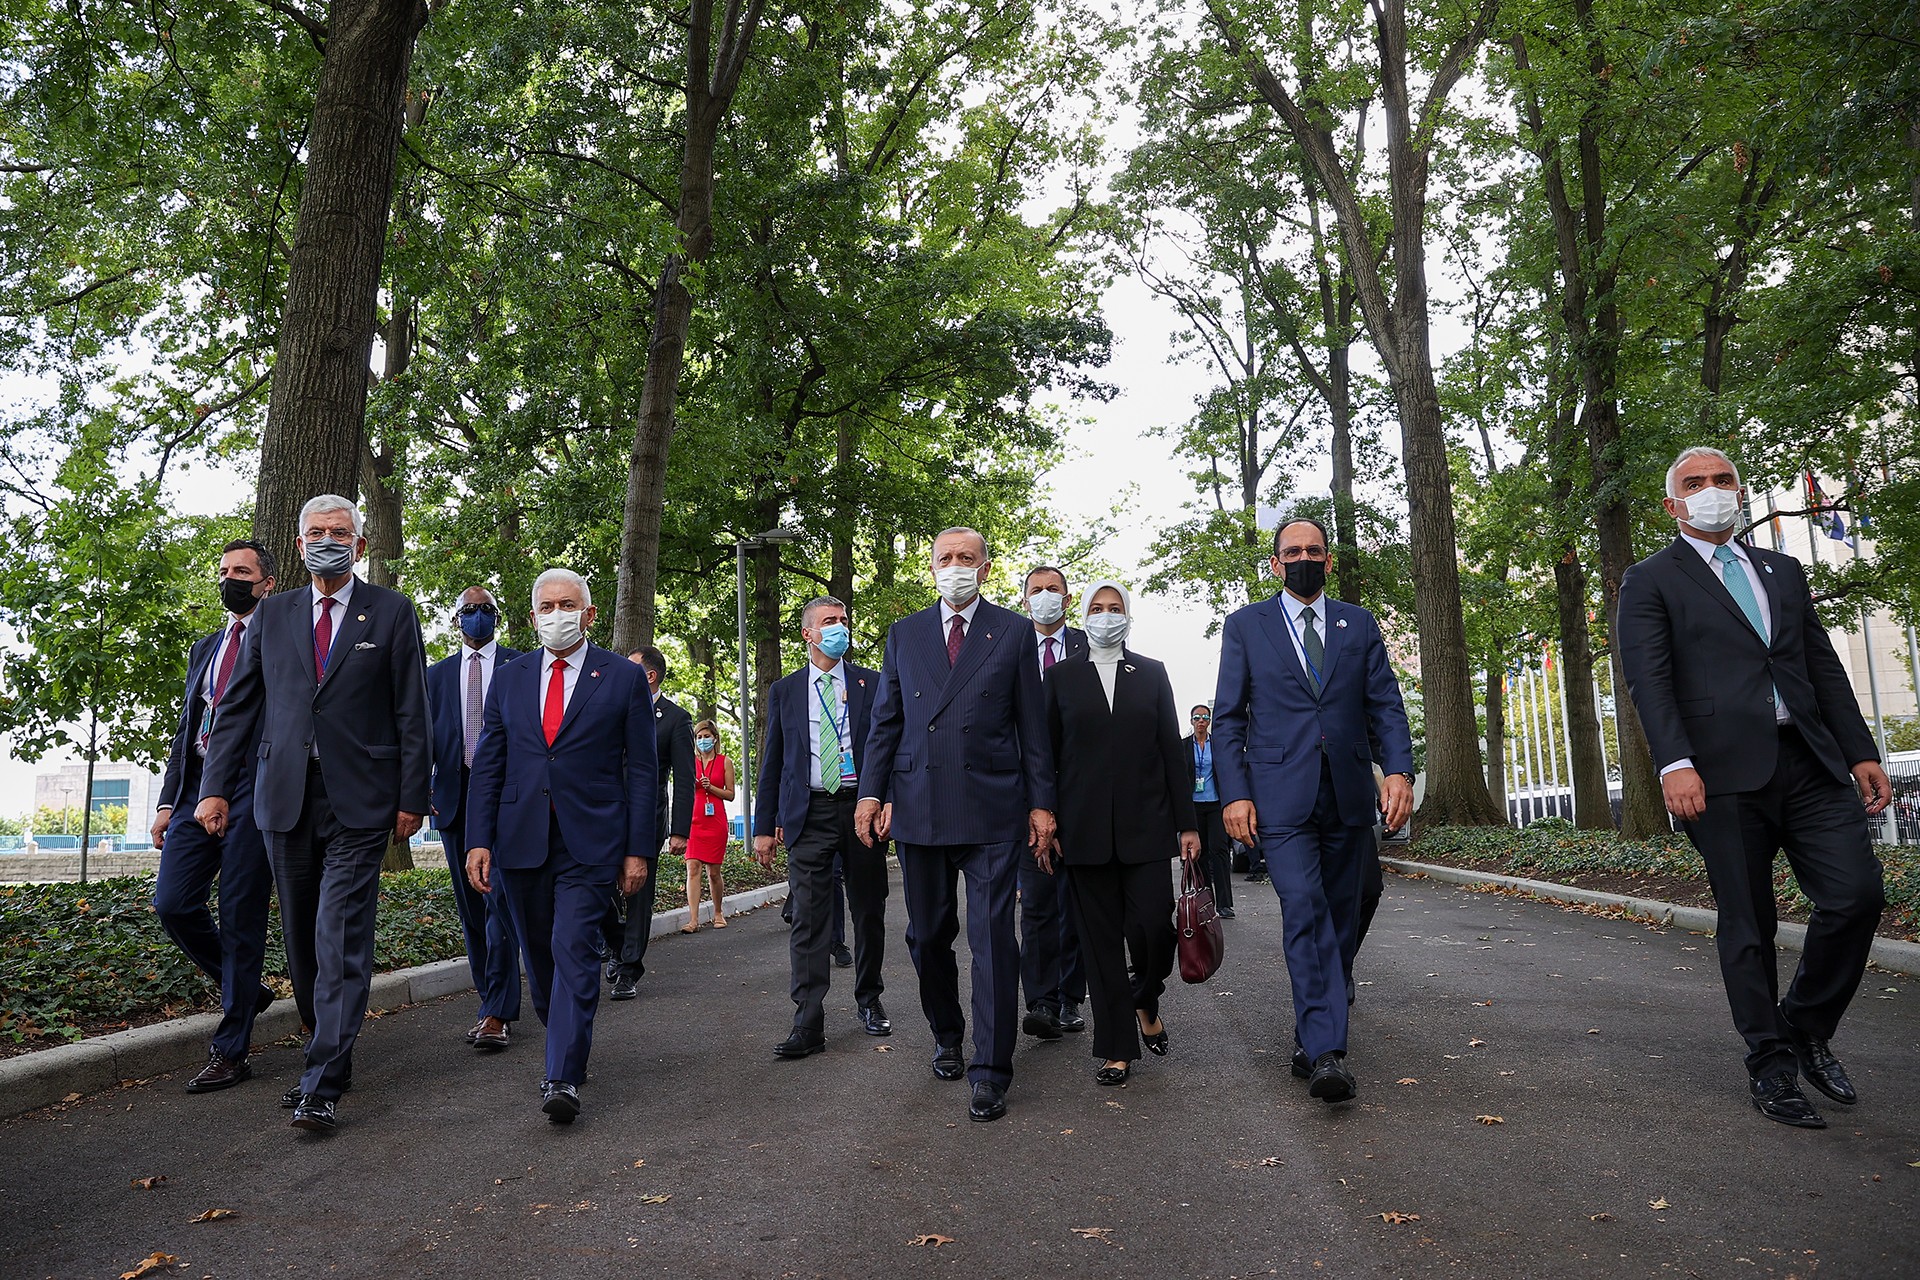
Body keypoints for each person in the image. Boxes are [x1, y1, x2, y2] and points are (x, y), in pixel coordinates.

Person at [1619, 446, 1889, 1130]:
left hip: (1809, 762)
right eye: (1695, 483)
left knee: (1856, 896)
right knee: (1750, 924)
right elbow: (1649, 680)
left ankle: (1803, 1021)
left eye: (1723, 479)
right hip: (1718, 776)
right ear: (1672, 504)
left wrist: (1860, 750)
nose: (1713, 491)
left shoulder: (1782, 570)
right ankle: (1770, 1064)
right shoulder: (1651, 580)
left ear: (1738, 490)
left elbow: (1821, 667)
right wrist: (1673, 762)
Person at [196, 496, 432, 1134]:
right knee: (303, 942)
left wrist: (415, 795)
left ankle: (322, 1079)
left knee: (340, 934)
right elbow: (238, 709)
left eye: (341, 533)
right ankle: (332, 1043)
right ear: (300, 545)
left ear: (358, 544)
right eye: (317, 533)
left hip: (359, 802)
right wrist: (214, 788)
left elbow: (413, 709)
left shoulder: (390, 611)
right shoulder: (271, 615)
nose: (329, 541)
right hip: (284, 798)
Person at [1213, 515, 1414, 1106]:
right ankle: (1327, 1051)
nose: (1304, 558)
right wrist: (1235, 793)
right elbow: (1228, 719)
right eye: (1292, 551)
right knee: (1304, 908)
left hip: (1348, 792)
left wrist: (1398, 770)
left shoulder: (1358, 623)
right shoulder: (1246, 626)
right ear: (1276, 564)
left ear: (1329, 561)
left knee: (1350, 905)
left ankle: (1320, 1003)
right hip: (1280, 797)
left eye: (1315, 550)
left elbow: (1386, 705)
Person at [857, 527, 1056, 1123]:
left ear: (986, 567)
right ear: (932, 567)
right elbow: (886, 722)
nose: (955, 567)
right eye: (945, 558)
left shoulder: (1014, 631)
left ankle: (991, 1069)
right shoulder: (905, 633)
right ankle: (947, 1031)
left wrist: (1042, 804)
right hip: (919, 805)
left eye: (966, 558)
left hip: (994, 805)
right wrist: (871, 792)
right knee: (926, 936)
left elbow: (1033, 728)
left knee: (994, 938)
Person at [464, 568, 656, 1124]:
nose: (556, 614)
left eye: (567, 604)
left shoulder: (621, 678)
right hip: (519, 840)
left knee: (574, 950)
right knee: (541, 962)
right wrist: (479, 839)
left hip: (591, 843)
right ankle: (565, 1037)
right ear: (531, 617)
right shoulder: (511, 677)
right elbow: (489, 765)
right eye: (546, 606)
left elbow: (642, 770)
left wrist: (636, 849)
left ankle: (563, 1076)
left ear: (590, 614)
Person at [1043, 582, 1199, 1085]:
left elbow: (1172, 756)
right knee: (1100, 942)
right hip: (1082, 833)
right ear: (1083, 615)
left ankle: (1144, 996)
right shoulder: (1060, 677)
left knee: (1154, 929)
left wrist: (1188, 824)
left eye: (1115, 609)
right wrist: (1044, 816)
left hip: (1147, 829)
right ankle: (1116, 1047)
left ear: (1128, 616)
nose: (1106, 616)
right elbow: (1045, 758)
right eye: (1097, 608)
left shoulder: (1151, 674)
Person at [150, 539, 278, 1093]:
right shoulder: (206, 647)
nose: (231, 579)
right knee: (173, 903)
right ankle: (246, 988)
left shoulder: (283, 639)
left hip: (254, 790)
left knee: (240, 914)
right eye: (225, 570)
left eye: (243, 571)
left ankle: (231, 1050)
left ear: (266, 582)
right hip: (194, 793)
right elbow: (186, 733)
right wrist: (166, 800)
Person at [755, 596, 892, 1054]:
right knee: (810, 920)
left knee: (868, 909)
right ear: (807, 634)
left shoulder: (872, 685)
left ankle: (870, 999)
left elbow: (890, 748)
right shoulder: (786, 691)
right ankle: (808, 1020)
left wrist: (887, 800)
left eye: (844, 621)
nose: (839, 627)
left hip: (862, 811)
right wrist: (763, 824)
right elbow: (771, 759)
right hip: (808, 813)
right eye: (829, 622)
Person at [424, 586, 523, 1052]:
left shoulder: (522, 666)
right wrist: (419, 793)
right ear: (455, 619)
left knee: (499, 900)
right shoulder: (435, 676)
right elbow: (420, 739)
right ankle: (490, 1002)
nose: (477, 617)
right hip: (455, 800)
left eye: (486, 610)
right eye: (469, 611)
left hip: (509, 797)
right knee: (471, 907)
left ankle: (499, 1012)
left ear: (497, 617)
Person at [1016, 565, 1089, 1039]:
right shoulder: (1006, 644)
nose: (1045, 597)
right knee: (1037, 903)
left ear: (1067, 598)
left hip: (1083, 794)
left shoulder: (1093, 644)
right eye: (1036, 590)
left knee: (1077, 903)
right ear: (1025, 600)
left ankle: (1069, 997)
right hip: (1025, 797)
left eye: (1053, 590)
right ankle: (1040, 1001)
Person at [601, 646, 693, 999]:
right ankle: (617, 940)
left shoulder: (675, 718)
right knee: (598, 885)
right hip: (605, 814)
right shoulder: (611, 709)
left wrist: (680, 830)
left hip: (646, 815)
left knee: (639, 893)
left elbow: (684, 778)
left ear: (649, 676)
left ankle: (629, 968)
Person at [1183, 702, 1234, 920]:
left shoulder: (1218, 745)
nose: (1201, 721)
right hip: (1194, 804)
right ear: (1191, 721)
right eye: (1197, 718)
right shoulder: (1183, 746)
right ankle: (1206, 901)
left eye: (1204, 717)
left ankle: (1225, 904)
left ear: (1209, 720)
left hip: (1215, 803)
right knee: (1198, 854)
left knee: (1219, 850)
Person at [682, 718, 734, 931]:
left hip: (715, 821)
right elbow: (682, 789)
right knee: (693, 867)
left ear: (715, 738)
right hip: (694, 821)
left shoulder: (725, 761)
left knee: (713, 871)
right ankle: (693, 919)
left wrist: (710, 787)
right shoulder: (689, 761)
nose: (703, 740)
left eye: (706, 736)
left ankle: (718, 912)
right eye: (699, 737)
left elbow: (730, 794)